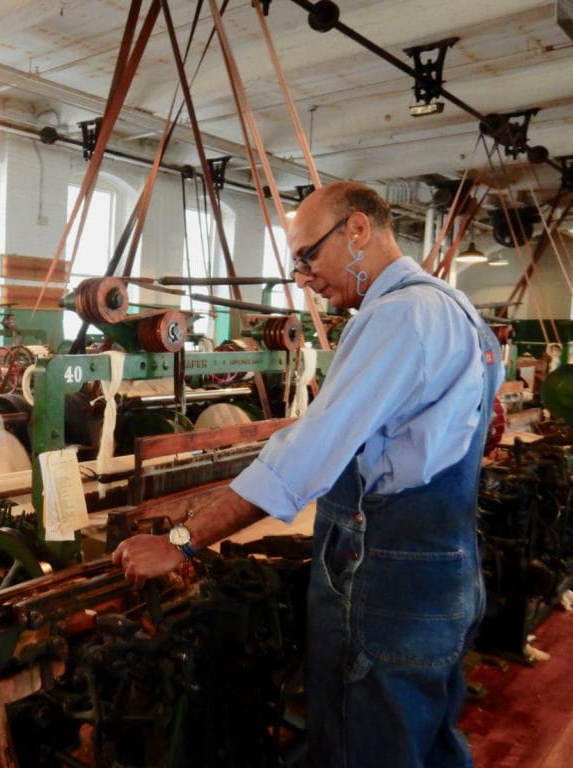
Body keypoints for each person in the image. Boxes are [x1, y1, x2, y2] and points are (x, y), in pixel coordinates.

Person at [112, 180, 503, 768]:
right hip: (444, 569)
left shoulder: (399, 317)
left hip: (387, 580)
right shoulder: (455, 309)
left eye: (306, 256)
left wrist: (181, 541)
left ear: (357, 230)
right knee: (427, 741)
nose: (302, 277)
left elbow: (307, 456)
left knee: (362, 747)